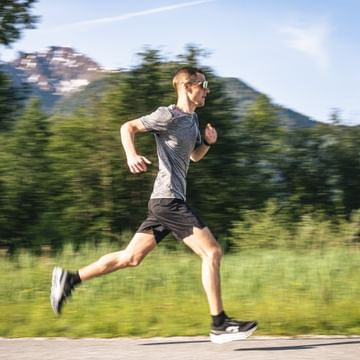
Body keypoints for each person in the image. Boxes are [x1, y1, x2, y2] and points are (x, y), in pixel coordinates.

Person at [50, 66, 257, 344]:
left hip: (166, 201)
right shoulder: (167, 115)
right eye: (203, 84)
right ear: (187, 86)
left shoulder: (193, 121)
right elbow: (128, 127)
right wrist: (131, 155)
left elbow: (194, 157)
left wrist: (208, 143)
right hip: (168, 199)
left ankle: (69, 280)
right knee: (213, 252)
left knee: (131, 258)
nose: (207, 89)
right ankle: (219, 324)